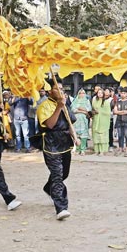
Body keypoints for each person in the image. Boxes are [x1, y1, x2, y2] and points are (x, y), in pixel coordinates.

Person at [37, 77, 77, 220]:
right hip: (51, 144)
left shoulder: (66, 104)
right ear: (49, 90)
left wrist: (75, 137)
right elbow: (50, 125)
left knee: (64, 173)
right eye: (57, 89)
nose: (60, 91)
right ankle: (61, 207)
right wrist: (59, 107)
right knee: (57, 175)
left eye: (61, 89)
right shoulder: (44, 106)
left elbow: (69, 123)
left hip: (65, 142)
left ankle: (49, 188)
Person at [70, 88, 92, 155]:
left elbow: (88, 110)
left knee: (83, 136)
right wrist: (82, 111)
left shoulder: (87, 101)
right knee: (76, 135)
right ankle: (77, 148)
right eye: (80, 93)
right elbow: (73, 110)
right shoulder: (75, 101)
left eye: (83, 93)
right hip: (76, 120)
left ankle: (82, 149)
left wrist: (80, 109)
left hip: (83, 120)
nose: (81, 94)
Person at [91, 87, 112, 155]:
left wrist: (100, 112)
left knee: (102, 136)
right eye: (98, 93)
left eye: (101, 93)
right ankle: (96, 150)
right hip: (96, 119)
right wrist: (94, 112)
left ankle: (102, 151)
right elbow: (92, 109)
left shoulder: (106, 102)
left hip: (103, 121)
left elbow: (108, 112)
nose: (100, 94)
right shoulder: (94, 101)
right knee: (96, 135)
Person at [114, 87, 127, 155]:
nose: (123, 94)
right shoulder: (117, 101)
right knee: (120, 135)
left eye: (124, 93)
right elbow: (115, 111)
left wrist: (120, 112)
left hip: (126, 120)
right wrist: (122, 112)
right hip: (119, 120)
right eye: (122, 93)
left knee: (126, 135)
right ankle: (120, 148)